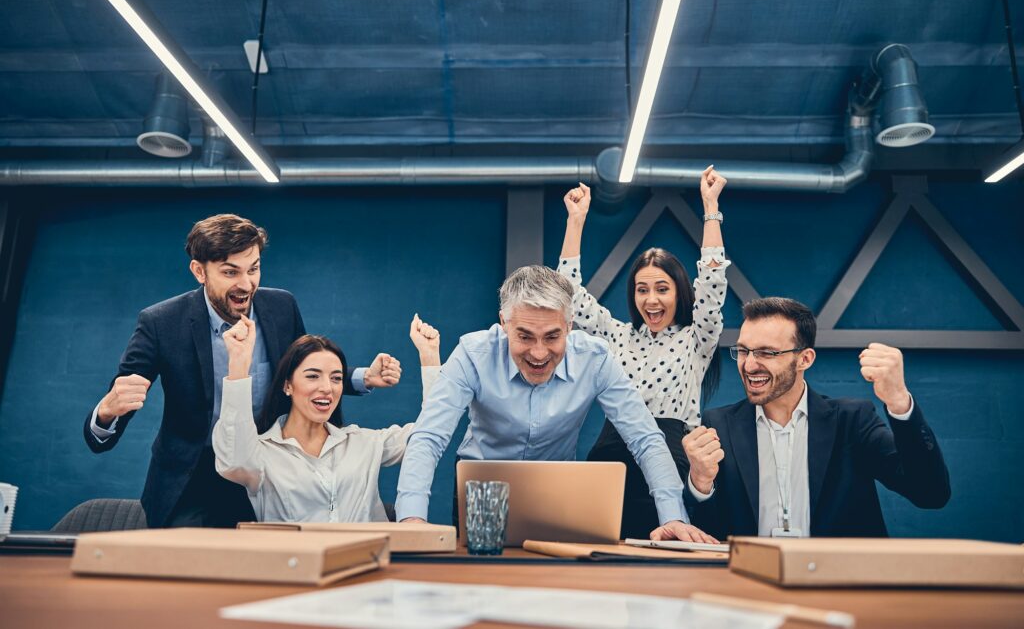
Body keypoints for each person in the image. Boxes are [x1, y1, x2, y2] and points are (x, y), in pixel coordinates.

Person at [82, 214, 402, 528]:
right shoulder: (161, 322)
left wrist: (361, 377)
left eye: (254, 269)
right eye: (230, 272)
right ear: (199, 271)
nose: (246, 284)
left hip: (264, 465)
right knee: (192, 567)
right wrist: (108, 411)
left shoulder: (281, 307)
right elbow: (118, 402)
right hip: (194, 476)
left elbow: (302, 369)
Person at [395, 265, 717, 543]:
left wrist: (673, 517)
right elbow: (429, 436)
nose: (538, 353)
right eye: (524, 336)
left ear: (569, 326)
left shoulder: (595, 358)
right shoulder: (472, 353)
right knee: (483, 584)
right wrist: (411, 519)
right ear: (504, 324)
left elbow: (644, 439)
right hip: (482, 491)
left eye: (552, 337)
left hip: (555, 493)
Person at [666, 297, 951, 541]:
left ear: (805, 359)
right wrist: (699, 483)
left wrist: (899, 401)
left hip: (836, 588)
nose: (750, 364)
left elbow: (930, 493)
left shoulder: (852, 421)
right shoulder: (719, 425)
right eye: (743, 351)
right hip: (748, 589)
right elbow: (703, 532)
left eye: (767, 352)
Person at [557, 167, 728, 537]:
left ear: (680, 291)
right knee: (603, 553)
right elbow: (567, 295)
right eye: (642, 289)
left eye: (662, 288)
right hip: (611, 456)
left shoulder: (697, 338)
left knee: (667, 557)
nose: (651, 299)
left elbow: (713, 285)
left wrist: (710, 208)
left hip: (670, 455)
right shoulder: (617, 336)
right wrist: (575, 221)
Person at [213, 315, 441, 522]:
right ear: (287, 385)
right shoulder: (261, 454)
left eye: (336, 378)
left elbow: (428, 436)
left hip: (366, 563)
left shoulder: (362, 443)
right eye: (313, 376)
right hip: (296, 565)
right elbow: (232, 460)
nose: (326, 388)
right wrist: (239, 366)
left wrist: (429, 357)